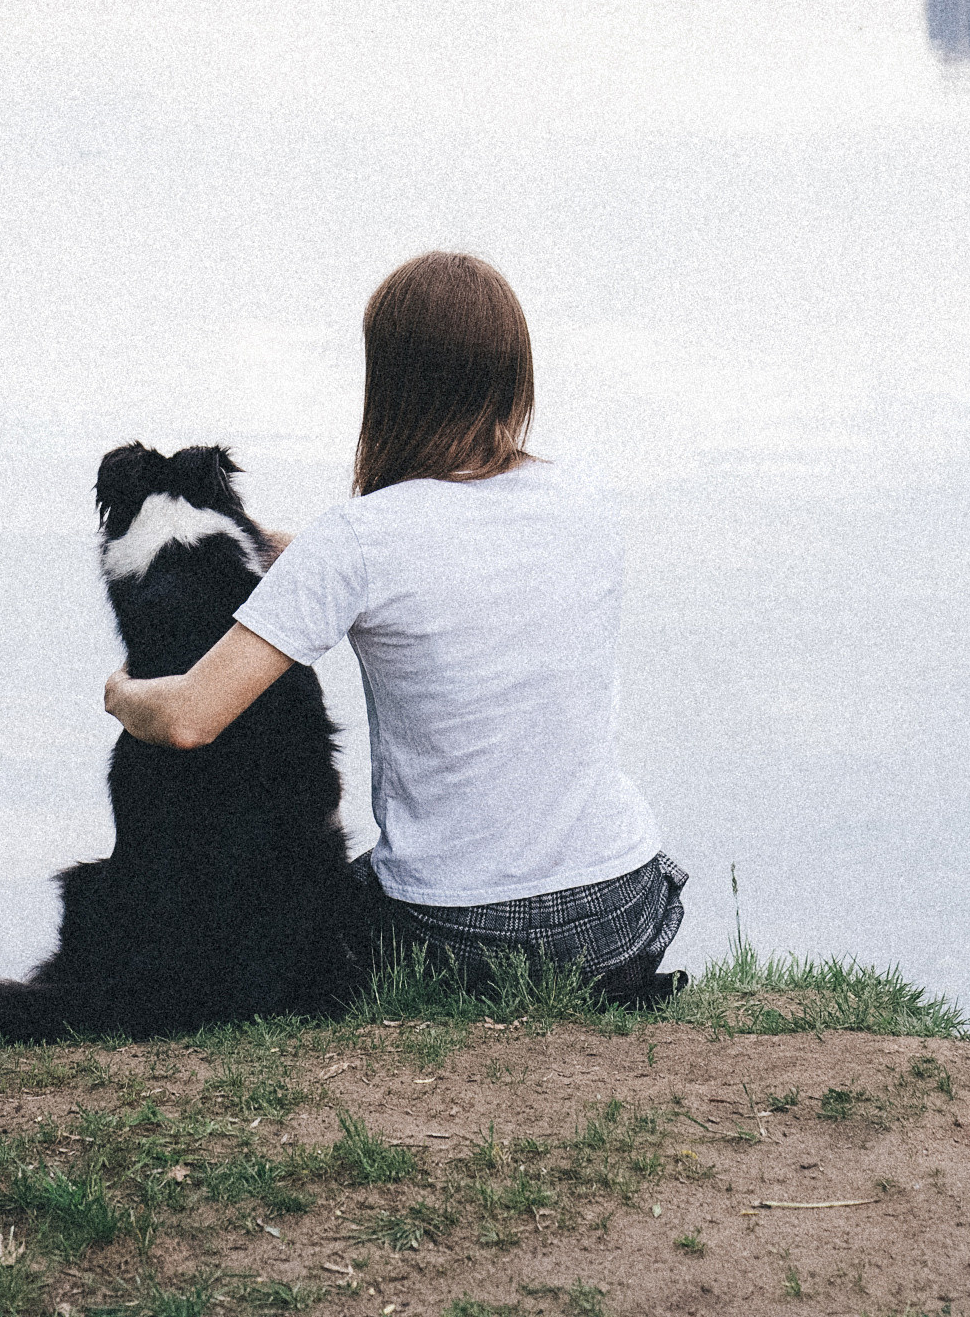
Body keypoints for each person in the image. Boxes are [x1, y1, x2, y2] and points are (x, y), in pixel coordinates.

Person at [101, 248, 686, 1006]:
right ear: (516, 375)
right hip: (621, 909)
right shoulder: (588, 496)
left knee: (293, 906)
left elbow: (185, 720)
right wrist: (294, 556)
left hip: (460, 933)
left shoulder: (361, 543)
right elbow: (451, 554)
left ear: (391, 384)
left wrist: (120, 693)